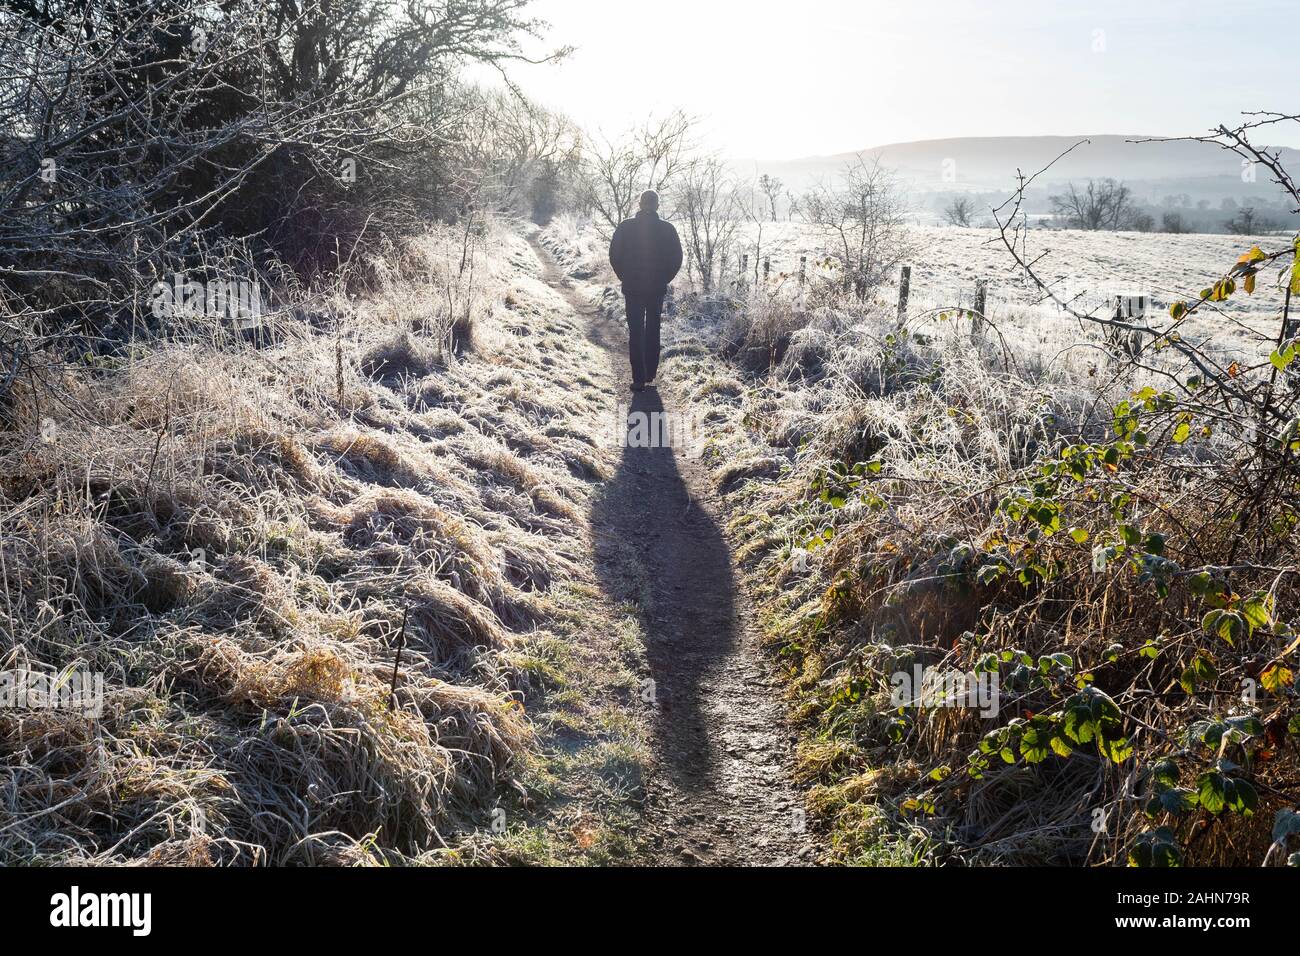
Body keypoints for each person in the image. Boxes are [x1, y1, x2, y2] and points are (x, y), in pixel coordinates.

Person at [608, 190, 683, 392]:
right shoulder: (668, 229)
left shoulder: (625, 227)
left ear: (640, 204)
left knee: (636, 331)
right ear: (657, 206)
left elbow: (614, 255)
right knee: (653, 329)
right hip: (656, 287)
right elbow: (676, 259)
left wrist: (625, 276)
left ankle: (639, 379)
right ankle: (650, 373)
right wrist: (663, 278)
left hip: (632, 287)